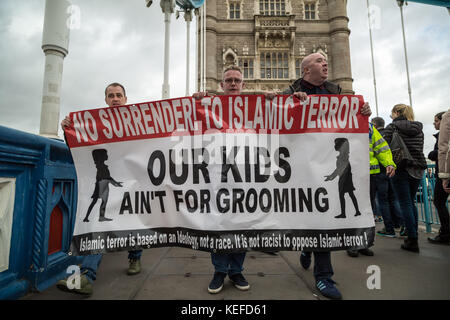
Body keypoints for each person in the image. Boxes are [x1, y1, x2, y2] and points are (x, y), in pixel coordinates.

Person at [268, 52, 372, 300]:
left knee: (324, 219)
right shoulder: (289, 94)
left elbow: (354, 131)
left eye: (326, 59)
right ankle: (309, 250)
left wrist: (363, 114)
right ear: (305, 70)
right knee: (312, 216)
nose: (325, 63)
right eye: (318, 61)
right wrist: (283, 102)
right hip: (301, 168)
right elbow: (271, 118)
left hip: (326, 164)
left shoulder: (337, 94)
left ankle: (323, 276)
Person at [57, 83, 143, 296]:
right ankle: (86, 275)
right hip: (106, 182)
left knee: (132, 221)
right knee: (99, 225)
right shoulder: (94, 126)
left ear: (126, 99)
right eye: (111, 95)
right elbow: (80, 151)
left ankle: (135, 257)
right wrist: (68, 130)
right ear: (105, 100)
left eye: (118, 95)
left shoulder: (136, 122)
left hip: (131, 182)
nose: (115, 99)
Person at [193, 66, 250, 294]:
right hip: (217, 176)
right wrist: (195, 100)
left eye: (237, 80)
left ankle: (236, 270)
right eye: (229, 80)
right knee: (218, 223)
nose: (233, 83)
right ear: (222, 85)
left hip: (246, 178)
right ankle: (219, 270)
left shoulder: (255, 109)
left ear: (243, 85)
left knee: (241, 224)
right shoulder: (209, 106)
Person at [347, 122, 396, 257]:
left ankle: (364, 243)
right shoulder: (340, 123)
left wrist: (389, 163)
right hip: (352, 174)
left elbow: (381, 147)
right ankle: (352, 243)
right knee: (354, 210)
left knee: (368, 211)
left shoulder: (368, 126)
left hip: (370, 175)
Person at [383, 104, 427, 253]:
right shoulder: (419, 128)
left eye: (392, 113)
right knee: (411, 202)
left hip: (401, 167)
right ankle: (412, 234)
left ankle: (412, 239)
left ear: (397, 112)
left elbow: (384, 147)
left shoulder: (392, 127)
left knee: (405, 203)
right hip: (418, 168)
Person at [372, 117, 405, 236]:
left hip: (377, 171)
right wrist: (390, 164)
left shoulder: (373, 132)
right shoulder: (388, 133)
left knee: (382, 201)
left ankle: (389, 228)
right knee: (393, 198)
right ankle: (400, 224)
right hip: (389, 170)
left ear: (375, 124)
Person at [429, 111, 450, 244]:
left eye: (436, 121)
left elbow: (444, 151)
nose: (434, 123)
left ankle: (446, 234)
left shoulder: (445, 133)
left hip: (444, 173)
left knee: (439, 202)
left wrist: (444, 176)